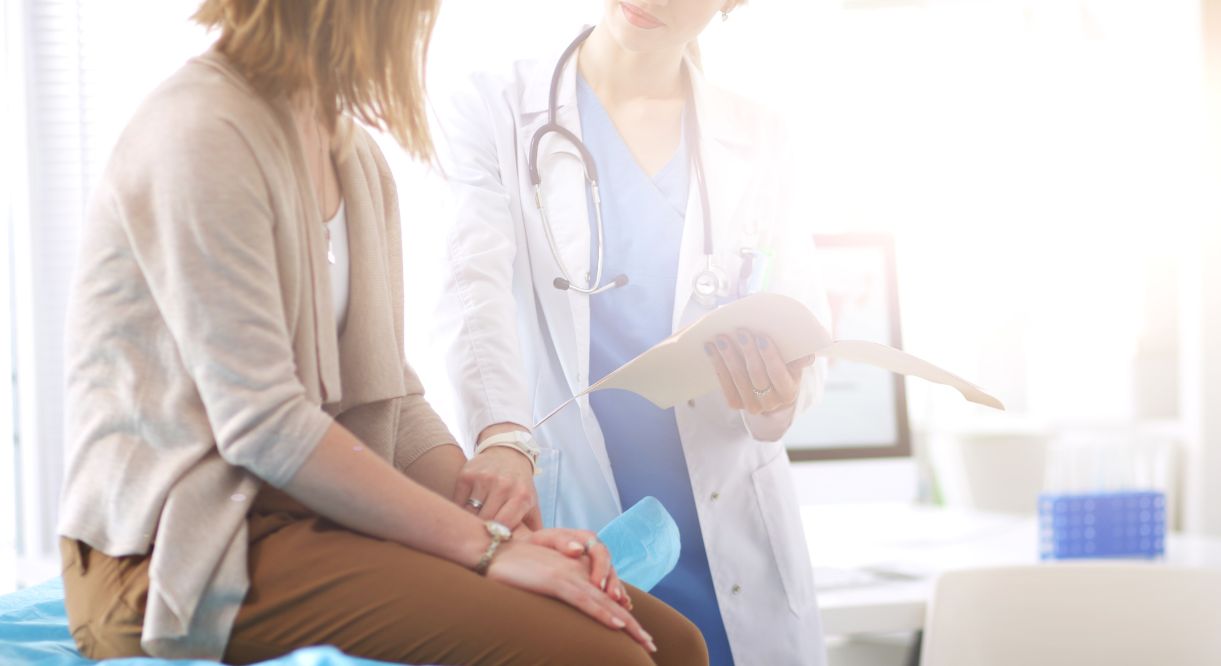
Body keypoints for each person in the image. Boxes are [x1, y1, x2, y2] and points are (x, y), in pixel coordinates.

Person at [56, 2, 707, 665]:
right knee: (608, 658)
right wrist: (486, 549)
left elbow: (390, 395)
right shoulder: (202, 132)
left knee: (674, 644)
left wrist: (495, 521)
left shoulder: (352, 154)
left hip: (301, 523)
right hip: (178, 554)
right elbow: (264, 423)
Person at [434, 1, 829, 663]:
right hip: (581, 514)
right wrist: (501, 432)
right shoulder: (492, 107)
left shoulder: (760, 137)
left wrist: (779, 394)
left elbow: (804, 326)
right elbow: (468, 288)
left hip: (728, 532)